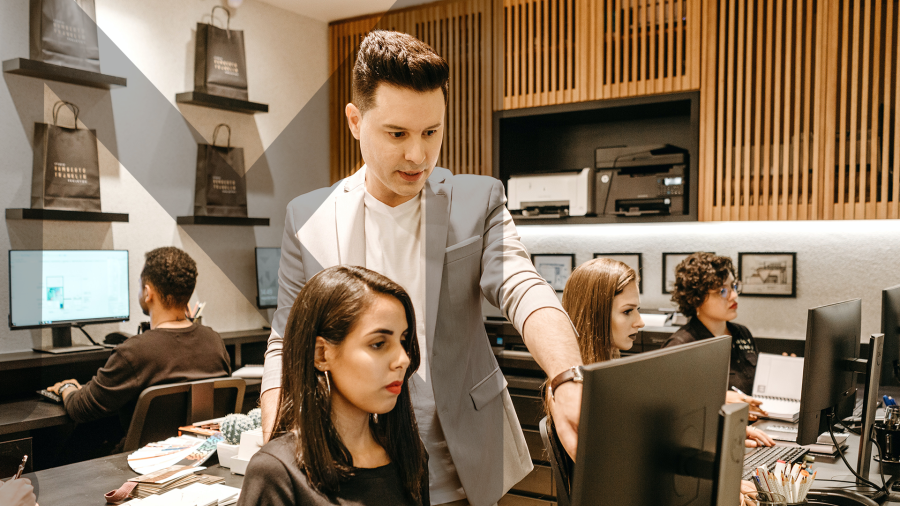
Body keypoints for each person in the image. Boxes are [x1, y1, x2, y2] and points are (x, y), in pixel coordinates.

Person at [261, 30, 583, 506]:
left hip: (463, 458)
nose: (418, 156)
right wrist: (277, 441)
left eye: (431, 132)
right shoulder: (309, 218)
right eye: (397, 134)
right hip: (354, 462)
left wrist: (568, 376)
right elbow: (287, 339)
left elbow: (522, 286)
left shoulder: (476, 201)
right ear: (355, 121)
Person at [551, 258, 766, 504]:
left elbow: (653, 445)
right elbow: (625, 471)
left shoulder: (614, 377)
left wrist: (718, 439)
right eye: (627, 311)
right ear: (595, 315)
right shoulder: (574, 392)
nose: (640, 321)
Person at [239, 266, 428, 506]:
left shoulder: (409, 454)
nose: (403, 360)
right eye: (379, 344)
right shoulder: (277, 473)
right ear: (321, 354)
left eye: (403, 340)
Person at [46, 247, 232, 457]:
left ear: (148, 292)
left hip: (147, 462)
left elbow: (81, 408)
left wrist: (67, 388)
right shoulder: (214, 341)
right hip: (201, 457)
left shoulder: (134, 352)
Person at [664, 252, 773, 444]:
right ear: (696, 298)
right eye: (722, 291)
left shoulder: (742, 333)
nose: (734, 295)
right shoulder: (681, 345)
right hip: (712, 440)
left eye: (734, 286)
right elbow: (673, 411)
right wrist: (719, 400)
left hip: (757, 430)